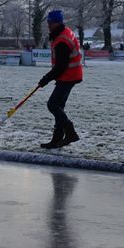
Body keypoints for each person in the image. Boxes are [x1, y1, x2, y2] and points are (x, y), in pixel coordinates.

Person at [38, 9, 83, 149]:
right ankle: (57, 139)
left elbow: (61, 66)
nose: (48, 25)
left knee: (52, 105)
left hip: (69, 76)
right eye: (48, 22)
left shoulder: (62, 40)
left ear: (57, 23)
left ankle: (70, 133)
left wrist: (46, 78)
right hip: (69, 75)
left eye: (50, 23)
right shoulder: (63, 33)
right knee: (59, 106)